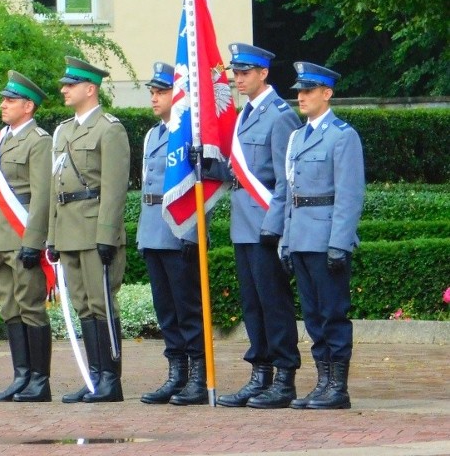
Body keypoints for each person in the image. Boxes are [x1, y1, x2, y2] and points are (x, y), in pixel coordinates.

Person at [217, 44, 303, 409]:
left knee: (274, 303)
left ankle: (284, 378)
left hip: (266, 222)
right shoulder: (245, 114)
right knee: (252, 304)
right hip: (243, 224)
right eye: (236, 73)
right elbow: (240, 172)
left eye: (245, 72)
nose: (238, 79)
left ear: (264, 73)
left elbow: (287, 178)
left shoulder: (279, 114)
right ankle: (260, 374)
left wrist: (275, 224)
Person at [281, 62, 364, 410]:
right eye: (299, 91)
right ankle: (323, 382)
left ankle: (337, 388)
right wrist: (286, 239)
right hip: (301, 237)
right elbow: (291, 194)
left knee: (332, 313)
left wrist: (338, 243)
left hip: (325, 237)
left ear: (326, 94)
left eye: (308, 91)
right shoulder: (297, 137)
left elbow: (349, 194)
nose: (301, 97)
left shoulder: (342, 135)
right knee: (313, 315)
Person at [48, 56, 130, 404]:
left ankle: (110, 378)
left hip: (94, 227)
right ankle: (94, 376)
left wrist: (106, 236)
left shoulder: (109, 129)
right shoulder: (63, 130)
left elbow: (114, 188)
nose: (64, 90)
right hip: (68, 230)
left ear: (90, 89)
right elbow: (55, 187)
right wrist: (51, 237)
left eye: (71, 84)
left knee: (101, 305)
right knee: (83, 306)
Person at [135, 63, 208, 405]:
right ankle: (176, 373)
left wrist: (191, 234)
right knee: (166, 309)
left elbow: (197, 189)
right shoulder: (153, 134)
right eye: (152, 92)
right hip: (153, 228)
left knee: (186, 307)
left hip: (179, 230)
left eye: (161, 92)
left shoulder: (190, 133)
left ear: (177, 95)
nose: (154, 98)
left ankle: (197, 375)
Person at [0, 71, 53, 403]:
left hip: (22, 232)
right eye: (3, 99)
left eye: (10, 101)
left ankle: (39, 379)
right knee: (8, 306)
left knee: (30, 306)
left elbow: (42, 196)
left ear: (28, 106)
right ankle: (21, 375)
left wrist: (34, 241)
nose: (3, 105)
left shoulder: (39, 141)